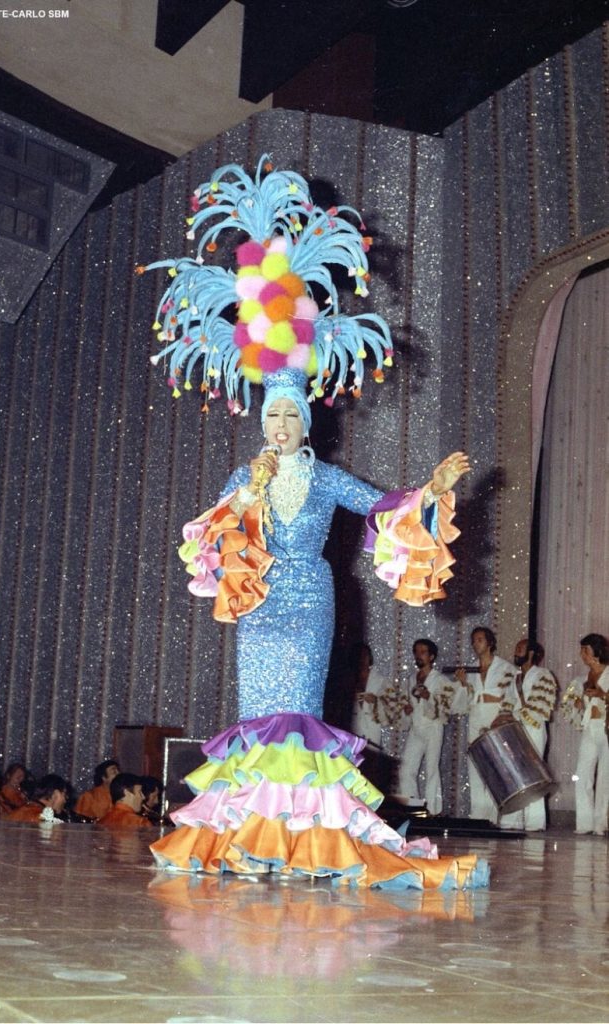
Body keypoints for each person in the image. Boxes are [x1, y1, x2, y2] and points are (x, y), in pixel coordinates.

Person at [146, 157, 487, 890]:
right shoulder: (246, 474)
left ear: (305, 423)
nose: (277, 423)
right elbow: (215, 536)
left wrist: (432, 486)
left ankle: (307, 845)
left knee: (296, 715)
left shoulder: (328, 475)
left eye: (288, 415)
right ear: (262, 419)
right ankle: (250, 840)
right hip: (262, 600)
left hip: (311, 598)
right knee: (256, 716)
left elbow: (380, 507)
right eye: (269, 414)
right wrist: (251, 496)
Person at [454, 626, 516, 822]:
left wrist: (501, 711)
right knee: (476, 766)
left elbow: (512, 696)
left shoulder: (505, 668)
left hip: (495, 719)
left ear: (489, 643)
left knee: (495, 768)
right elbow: (461, 704)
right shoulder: (470, 669)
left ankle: (492, 817)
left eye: (479, 639)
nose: (475, 643)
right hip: (475, 720)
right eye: (473, 640)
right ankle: (477, 816)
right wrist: (463, 684)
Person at [498, 639, 557, 831]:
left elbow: (540, 708)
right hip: (514, 729)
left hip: (533, 729)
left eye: (520, 648)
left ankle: (534, 822)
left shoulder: (544, 675)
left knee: (533, 776)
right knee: (513, 774)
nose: (516, 652)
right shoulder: (513, 677)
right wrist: (503, 719)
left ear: (531, 653)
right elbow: (506, 703)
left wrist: (515, 715)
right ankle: (512, 821)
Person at [396, 639, 456, 816]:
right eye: (416, 652)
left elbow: (446, 706)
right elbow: (407, 703)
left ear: (431, 656)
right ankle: (413, 808)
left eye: (423, 652)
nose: (419, 655)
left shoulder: (440, 680)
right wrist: (407, 709)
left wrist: (428, 695)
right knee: (406, 769)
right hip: (416, 727)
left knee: (432, 769)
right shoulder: (410, 679)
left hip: (433, 727)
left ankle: (433, 811)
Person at [560, 633, 609, 836]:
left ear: (597, 652)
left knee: (605, 777)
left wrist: (602, 694)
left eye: (585, 650)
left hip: (606, 728)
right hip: (590, 728)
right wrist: (578, 705)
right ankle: (584, 823)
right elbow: (571, 707)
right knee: (582, 774)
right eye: (581, 650)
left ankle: (600, 824)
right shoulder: (582, 678)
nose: (582, 654)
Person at [350, 643, 394, 749]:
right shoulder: (348, 680)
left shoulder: (382, 681)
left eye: (365, 655)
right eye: (359, 656)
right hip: (352, 731)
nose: (362, 659)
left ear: (370, 657)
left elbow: (392, 707)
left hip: (372, 731)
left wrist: (376, 701)